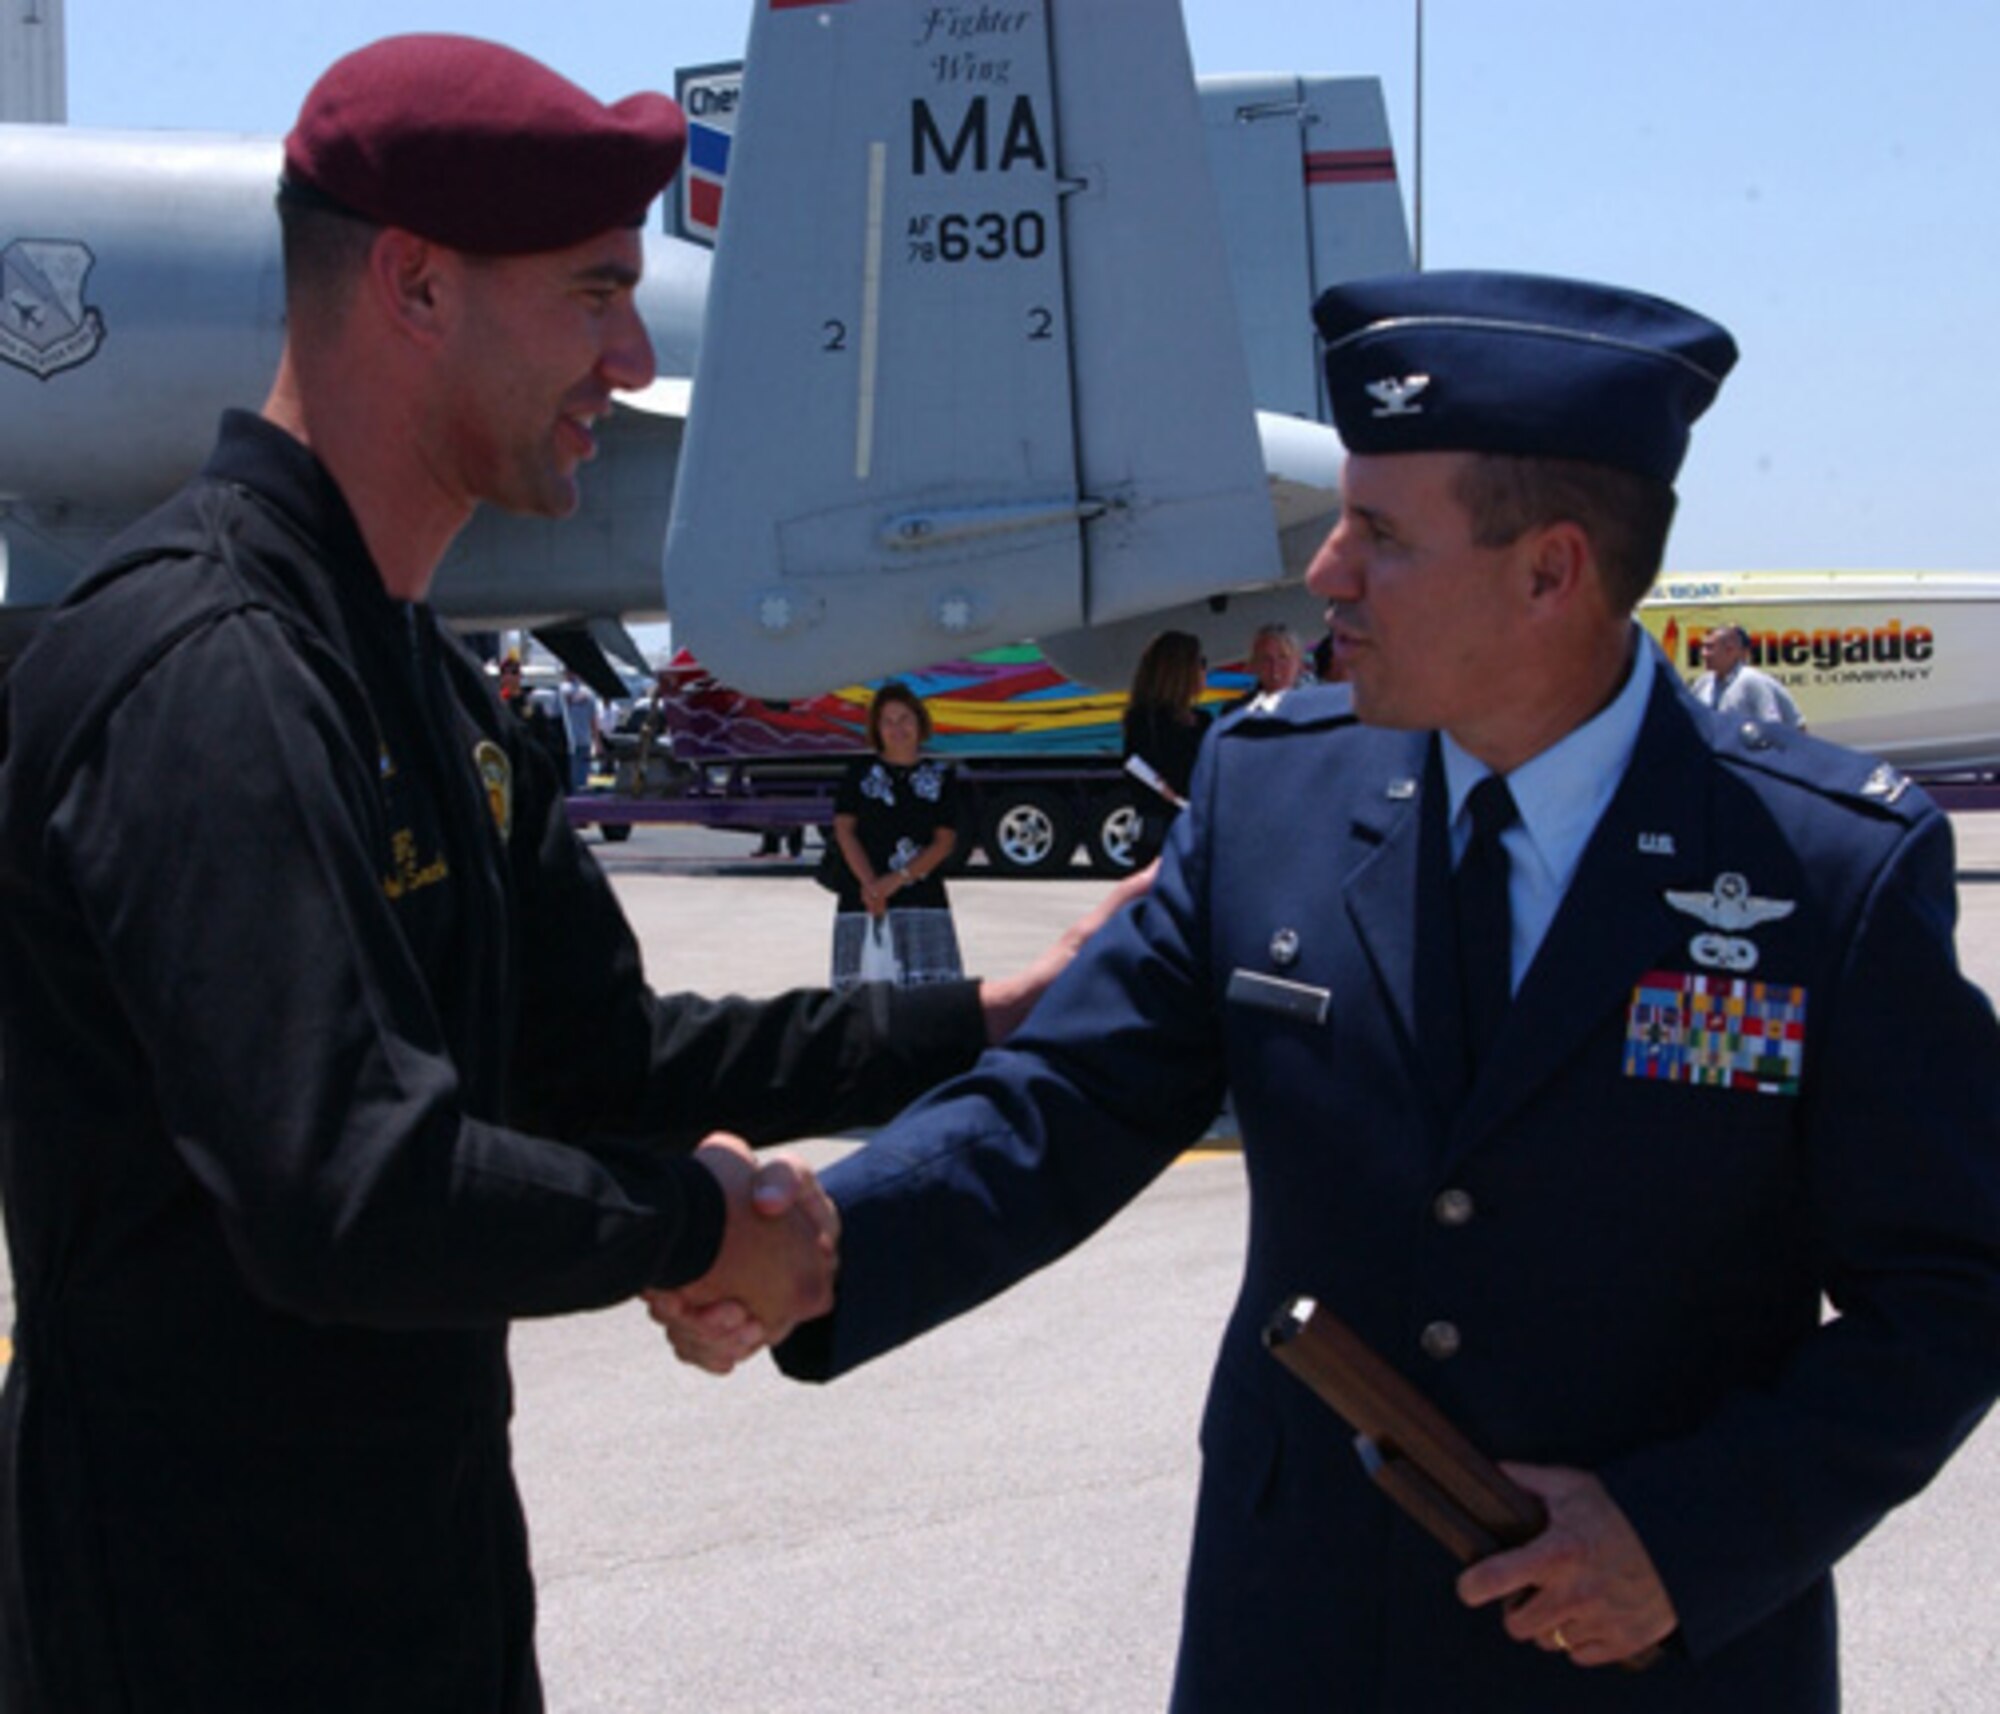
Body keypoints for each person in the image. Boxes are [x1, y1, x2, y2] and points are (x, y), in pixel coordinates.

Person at [658, 272, 2000, 1711]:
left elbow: (1955, 1284)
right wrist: (837, 1241)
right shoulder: (1271, 793)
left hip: (1640, 1659)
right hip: (1297, 1631)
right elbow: (1073, 1096)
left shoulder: (1819, 868)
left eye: (1380, 534)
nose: (1327, 574)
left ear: (1551, 572)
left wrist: (1690, 1533)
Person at [0, 35, 1121, 1714]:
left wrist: (979, 1018)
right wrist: (704, 1223)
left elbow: (599, 1058)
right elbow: (349, 1192)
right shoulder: (211, 677)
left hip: (417, 1600)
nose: (634, 350)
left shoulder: (420, 678)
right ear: (417, 285)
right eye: (594, 290)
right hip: (187, 1630)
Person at [829, 681, 964, 990]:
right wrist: (872, 886)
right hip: (863, 899)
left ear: (919, 723)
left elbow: (943, 842)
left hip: (921, 898)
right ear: (877, 728)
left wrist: (896, 879)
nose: (897, 728)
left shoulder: (940, 776)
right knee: (862, 1001)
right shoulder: (859, 773)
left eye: (905, 719)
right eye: (888, 721)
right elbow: (844, 830)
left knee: (928, 1001)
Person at [1122, 628, 1213, 863]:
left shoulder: (1203, 720)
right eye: (1200, 662)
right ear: (1180, 670)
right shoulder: (1147, 721)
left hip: (1194, 829)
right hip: (1162, 834)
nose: (1205, 671)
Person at [1692, 622, 1807, 729]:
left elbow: (1773, 727)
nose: (1703, 654)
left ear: (1730, 651)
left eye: (1710, 648)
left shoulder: (1750, 681)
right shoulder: (1703, 684)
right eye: (1703, 647)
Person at [1222, 621, 1307, 714]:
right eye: (1266, 659)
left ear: (1299, 664)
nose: (1275, 667)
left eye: (1283, 658)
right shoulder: (1236, 713)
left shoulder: (1316, 706)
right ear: (1254, 665)